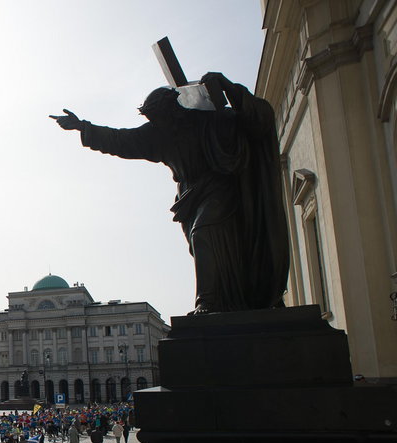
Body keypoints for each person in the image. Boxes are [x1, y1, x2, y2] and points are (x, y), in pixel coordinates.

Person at [51, 73, 289, 315]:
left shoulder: (209, 119)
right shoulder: (158, 134)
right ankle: (229, 299)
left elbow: (261, 119)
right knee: (207, 245)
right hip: (191, 197)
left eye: (159, 117)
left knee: (204, 233)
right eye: (152, 119)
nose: (156, 123)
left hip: (222, 188)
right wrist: (83, 126)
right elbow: (120, 139)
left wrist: (229, 87)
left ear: (173, 109)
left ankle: (209, 302)